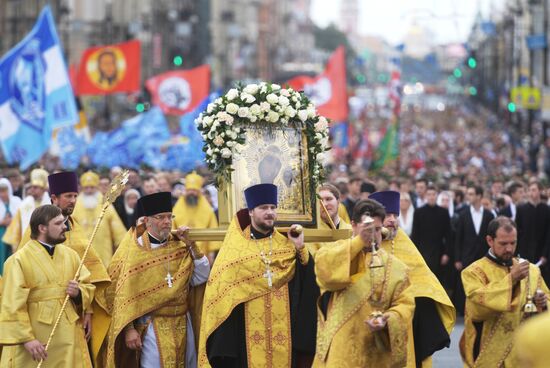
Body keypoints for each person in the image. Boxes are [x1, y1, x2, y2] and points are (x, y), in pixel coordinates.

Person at [198, 183, 317, 367]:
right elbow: (222, 291)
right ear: (251, 211)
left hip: (285, 331)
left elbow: (307, 282)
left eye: (272, 208)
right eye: (263, 208)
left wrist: (300, 247)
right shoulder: (235, 249)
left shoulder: (287, 245)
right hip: (245, 335)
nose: (269, 212)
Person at [101, 192, 210, 368]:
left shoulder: (181, 246)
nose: (167, 222)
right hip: (152, 325)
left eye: (169, 217)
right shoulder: (135, 251)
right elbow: (121, 294)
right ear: (147, 220)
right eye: (161, 217)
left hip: (183, 322)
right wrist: (129, 330)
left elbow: (201, 277)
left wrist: (191, 245)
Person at [17, 171, 111, 361]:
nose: (73, 201)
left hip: (75, 315)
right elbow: (22, 275)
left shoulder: (76, 229)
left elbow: (91, 276)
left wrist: (87, 309)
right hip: (43, 319)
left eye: (75, 196)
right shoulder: (37, 229)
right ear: (54, 198)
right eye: (68, 196)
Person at [312, 199, 414, 367]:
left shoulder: (397, 268)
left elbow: (405, 305)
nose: (372, 235)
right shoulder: (336, 251)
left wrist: (387, 319)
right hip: (341, 348)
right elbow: (326, 276)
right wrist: (359, 241)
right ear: (353, 225)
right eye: (367, 229)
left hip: (376, 351)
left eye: (376, 229)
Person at [0, 205, 95, 366]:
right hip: (36, 338)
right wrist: (27, 339)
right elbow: (12, 305)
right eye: (58, 223)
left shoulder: (70, 255)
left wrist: (78, 293)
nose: (65, 227)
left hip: (68, 334)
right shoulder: (18, 261)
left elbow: (87, 284)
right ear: (42, 228)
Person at [369, 190, 455, 367]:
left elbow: (422, 278)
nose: (392, 220)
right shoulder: (362, 243)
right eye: (387, 215)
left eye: (395, 215)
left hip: (403, 318)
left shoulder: (402, 241)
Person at [460, 216, 549, 367]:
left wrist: (542, 303)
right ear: (490, 240)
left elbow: (546, 299)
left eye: (513, 243)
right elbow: (477, 309)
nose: (509, 248)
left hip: (522, 352)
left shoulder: (531, 270)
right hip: (489, 352)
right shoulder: (473, 272)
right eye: (503, 243)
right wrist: (511, 279)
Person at [454, 185, 494, 314]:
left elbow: (491, 237)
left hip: (483, 257)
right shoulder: (463, 215)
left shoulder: (489, 215)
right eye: (468, 194)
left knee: (483, 283)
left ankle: (482, 308)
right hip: (466, 256)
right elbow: (458, 238)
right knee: (466, 284)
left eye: (471, 194)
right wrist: (457, 258)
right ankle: (465, 310)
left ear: (479, 196)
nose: (468, 196)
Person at [73, 171, 127, 267]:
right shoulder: (75, 206)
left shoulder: (106, 204)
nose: (89, 190)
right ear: (82, 188)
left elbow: (117, 229)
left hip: (103, 252)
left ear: (97, 187)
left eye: (92, 187)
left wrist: (124, 246)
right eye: (86, 188)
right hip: (81, 254)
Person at [173, 172, 219, 256]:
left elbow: (213, 230)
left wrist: (211, 254)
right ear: (186, 190)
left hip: (203, 253)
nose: (191, 193)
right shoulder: (178, 206)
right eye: (189, 190)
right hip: (181, 252)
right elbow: (172, 228)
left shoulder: (207, 208)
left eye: (194, 190)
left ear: (199, 191)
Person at [2, 168, 49, 250]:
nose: (32, 190)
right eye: (32, 187)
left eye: (36, 187)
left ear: (44, 189)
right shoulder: (24, 205)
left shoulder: (51, 204)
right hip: (26, 246)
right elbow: (17, 227)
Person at [411, 186, 452, 276]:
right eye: (429, 194)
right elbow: (415, 235)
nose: (431, 197)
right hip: (422, 252)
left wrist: (446, 253)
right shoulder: (418, 212)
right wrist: (415, 254)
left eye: (433, 194)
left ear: (437, 196)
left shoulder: (444, 212)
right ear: (426, 196)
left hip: (439, 252)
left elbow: (448, 235)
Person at [308, 183, 353, 257]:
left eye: (328, 199)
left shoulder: (351, 231)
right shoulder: (311, 234)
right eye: (320, 201)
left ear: (338, 202)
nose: (324, 204)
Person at [515, 181, 549, 268]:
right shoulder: (521, 209)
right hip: (525, 253)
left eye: (533, 190)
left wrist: (545, 255)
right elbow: (517, 231)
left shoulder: (547, 210)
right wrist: (517, 253)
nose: (531, 193)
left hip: (542, 254)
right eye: (529, 190)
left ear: (540, 191)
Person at [0, 178, 21, 274]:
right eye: (0, 191)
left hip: (15, 234)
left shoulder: (17, 201)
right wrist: (2, 222)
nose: (2, 194)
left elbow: (22, 216)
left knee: (13, 256)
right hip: (1, 233)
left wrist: (12, 221)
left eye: (4, 191)